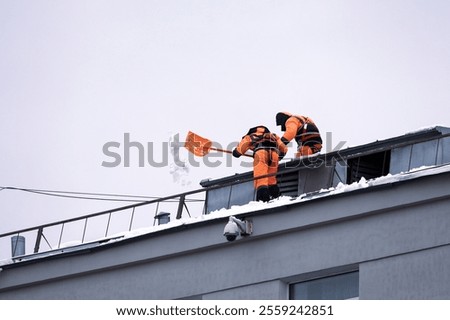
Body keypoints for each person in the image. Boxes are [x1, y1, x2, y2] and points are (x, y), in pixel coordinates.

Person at [232, 125, 288, 202]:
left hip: (260, 153)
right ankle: (276, 197)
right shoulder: (274, 136)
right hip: (274, 155)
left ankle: (263, 200)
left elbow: (238, 152)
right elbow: (284, 149)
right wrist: (278, 158)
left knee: (261, 178)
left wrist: (235, 152)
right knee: (271, 180)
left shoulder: (251, 136)